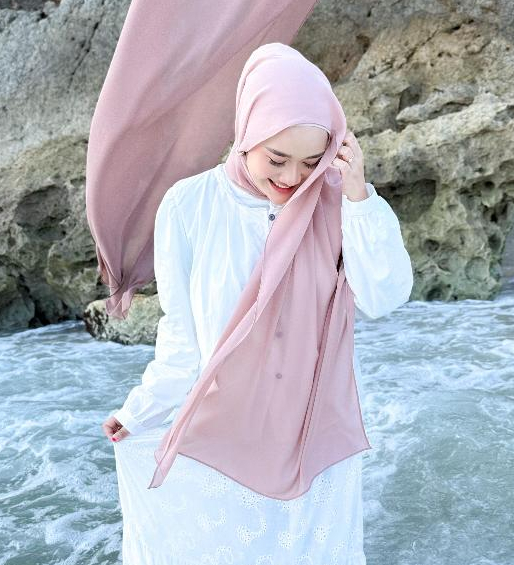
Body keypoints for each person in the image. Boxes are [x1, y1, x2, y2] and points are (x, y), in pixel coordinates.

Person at [101, 43, 413, 564]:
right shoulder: (189, 205)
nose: (292, 178)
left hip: (312, 433)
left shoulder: (340, 202)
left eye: (311, 162)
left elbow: (385, 296)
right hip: (224, 430)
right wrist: (141, 410)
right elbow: (183, 338)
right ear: (246, 133)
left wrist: (357, 194)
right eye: (277, 159)